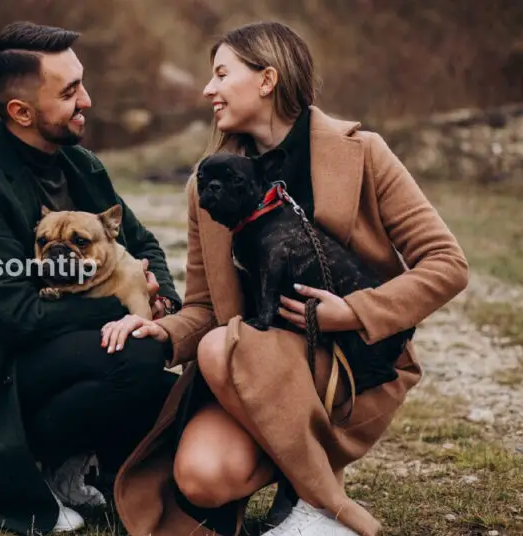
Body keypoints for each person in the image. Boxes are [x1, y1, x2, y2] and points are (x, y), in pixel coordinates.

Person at [103, 21, 469, 536]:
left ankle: (323, 506)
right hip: (249, 371)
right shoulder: (207, 182)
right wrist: (163, 330)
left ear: (267, 79)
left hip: (345, 362)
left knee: (219, 349)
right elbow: (207, 308)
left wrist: (356, 312)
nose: (208, 89)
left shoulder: (362, 151)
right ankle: (305, 481)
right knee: (203, 478)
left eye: (222, 74)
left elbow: (447, 264)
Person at [0, 21, 183, 535]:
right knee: (135, 353)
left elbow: (141, 245)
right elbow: (19, 318)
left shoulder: (81, 164)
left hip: (61, 349)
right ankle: (38, 469)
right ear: (21, 112)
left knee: (165, 379)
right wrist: (126, 308)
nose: (88, 101)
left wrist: (162, 299)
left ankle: (94, 474)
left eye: (83, 84)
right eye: (71, 92)